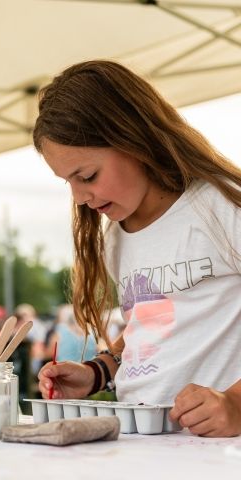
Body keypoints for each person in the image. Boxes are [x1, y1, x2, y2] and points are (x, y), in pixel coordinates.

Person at [34, 60, 241, 438]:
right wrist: (97, 371)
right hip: (139, 443)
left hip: (218, 453)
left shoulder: (224, 207)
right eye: (69, 183)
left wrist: (237, 403)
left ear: (135, 139)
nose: (80, 197)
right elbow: (151, 323)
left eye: (88, 176)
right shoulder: (116, 236)